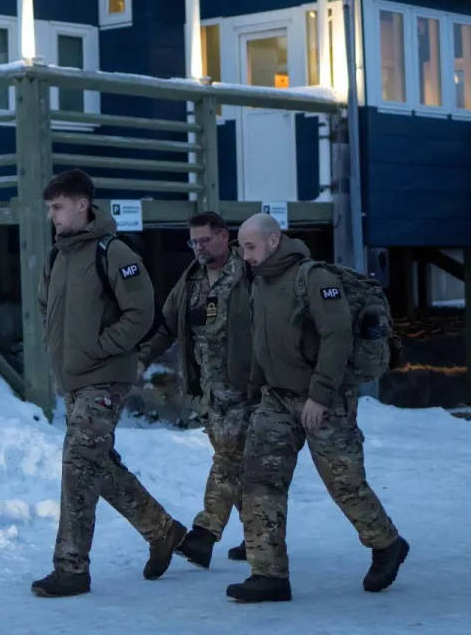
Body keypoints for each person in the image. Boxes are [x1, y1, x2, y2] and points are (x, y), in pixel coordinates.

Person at [226, 212, 409, 603]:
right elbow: (262, 341)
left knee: (344, 484)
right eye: (242, 247)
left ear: (274, 240)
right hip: (276, 398)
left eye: (251, 246)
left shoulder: (314, 278)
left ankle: (387, 543)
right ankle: (268, 574)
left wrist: (321, 395)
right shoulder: (259, 283)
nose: (245, 255)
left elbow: (337, 334)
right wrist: (256, 390)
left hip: (322, 399)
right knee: (259, 479)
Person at [31, 169, 188, 598]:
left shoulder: (113, 251)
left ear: (82, 205)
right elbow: (46, 309)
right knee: (97, 464)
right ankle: (161, 530)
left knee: (78, 465)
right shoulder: (57, 256)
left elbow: (141, 312)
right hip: (74, 380)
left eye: (58, 207)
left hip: (104, 379)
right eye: (49, 209)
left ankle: (71, 568)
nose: (53, 217)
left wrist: (101, 348)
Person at [139, 211, 254, 568]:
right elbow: (167, 326)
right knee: (238, 466)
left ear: (224, 236)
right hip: (209, 394)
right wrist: (142, 358)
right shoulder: (191, 281)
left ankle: (204, 534)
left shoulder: (249, 273)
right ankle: (258, 538)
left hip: (247, 389)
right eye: (193, 242)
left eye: (204, 240)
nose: (198, 248)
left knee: (228, 461)